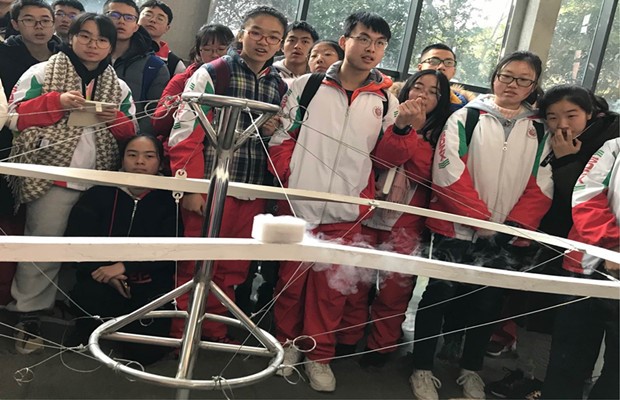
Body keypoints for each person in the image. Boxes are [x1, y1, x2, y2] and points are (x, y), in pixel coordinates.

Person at [269, 11, 419, 392]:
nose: (371, 49)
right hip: (298, 204)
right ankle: (286, 345)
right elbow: (282, 138)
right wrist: (291, 180)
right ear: (345, 40)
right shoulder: (307, 85)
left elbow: (385, 159)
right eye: (364, 38)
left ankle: (319, 355)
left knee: (332, 290)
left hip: (348, 210)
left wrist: (403, 129)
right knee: (289, 283)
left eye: (380, 43)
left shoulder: (385, 100)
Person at [409, 51, 553, 399]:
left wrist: (511, 227)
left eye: (523, 80)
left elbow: (542, 184)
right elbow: (448, 171)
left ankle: (471, 368)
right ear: (495, 76)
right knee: (438, 295)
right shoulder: (466, 117)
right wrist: (479, 220)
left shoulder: (539, 128)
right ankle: (421, 367)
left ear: (533, 86)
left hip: (506, 236)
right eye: (506, 76)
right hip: (456, 227)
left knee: (487, 303)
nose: (512, 85)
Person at [6, 12, 137, 355]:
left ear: (111, 46)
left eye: (102, 39)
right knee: (43, 248)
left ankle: (69, 307)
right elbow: (14, 118)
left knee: (84, 250)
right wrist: (56, 102)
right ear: (71, 37)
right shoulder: (40, 73)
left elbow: (133, 133)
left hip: (99, 181)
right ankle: (29, 315)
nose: (93, 45)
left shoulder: (119, 86)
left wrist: (115, 118)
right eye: (85, 36)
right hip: (51, 176)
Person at [168, 6, 288, 343]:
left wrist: (273, 130)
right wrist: (190, 187)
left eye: (273, 37)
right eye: (256, 33)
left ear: (280, 44)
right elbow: (185, 131)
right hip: (208, 186)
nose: (263, 42)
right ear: (241, 34)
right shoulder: (213, 72)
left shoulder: (280, 85)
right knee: (194, 264)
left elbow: (283, 139)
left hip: (252, 190)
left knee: (233, 268)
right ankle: (182, 336)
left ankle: (214, 333)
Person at [343, 70, 451, 368]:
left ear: (442, 101)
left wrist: (412, 132)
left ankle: (382, 344)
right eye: (418, 87)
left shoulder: (445, 132)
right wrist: (402, 128)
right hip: (369, 208)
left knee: (395, 288)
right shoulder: (385, 115)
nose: (423, 95)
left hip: (408, 218)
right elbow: (383, 158)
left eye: (433, 92)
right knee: (356, 280)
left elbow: (426, 172)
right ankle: (347, 336)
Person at [64, 135, 181, 365]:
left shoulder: (171, 200)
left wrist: (125, 267)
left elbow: (172, 250)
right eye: (132, 155)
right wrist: (104, 271)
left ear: (160, 162)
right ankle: (91, 325)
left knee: (145, 355)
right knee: (88, 300)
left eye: (149, 156)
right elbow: (75, 239)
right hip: (101, 280)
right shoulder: (99, 193)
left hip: (149, 287)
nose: (140, 162)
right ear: (122, 158)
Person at [542, 137, 619, 400]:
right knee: (568, 358)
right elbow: (587, 194)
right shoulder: (615, 147)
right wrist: (612, 245)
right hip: (588, 267)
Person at [0, 0, 61, 306]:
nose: (39, 27)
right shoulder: (4, 55)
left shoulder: (65, 56)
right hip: (7, 144)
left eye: (45, 20)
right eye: (29, 20)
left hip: (51, 152)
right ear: (15, 24)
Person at [151, 23, 233, 145]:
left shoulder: (239, 80)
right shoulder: (182, 80)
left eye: (221, 49)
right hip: (190, 145)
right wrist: (182, 101)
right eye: (207, 49)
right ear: (199, 52)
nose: (215, 55)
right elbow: (158, 122)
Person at [104, 0, 170, 135]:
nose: (121, 21)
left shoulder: (155, 67)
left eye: (129, 17)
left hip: (130, 140)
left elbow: (154, 114)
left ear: (136, 25)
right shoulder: (87, 56)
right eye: (114, 15)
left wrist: (134, 139)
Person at [417, 43, 475, 112]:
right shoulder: (406, 97)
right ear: (420, 68)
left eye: (449, 63)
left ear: (454, 72)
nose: (441, 67)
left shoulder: (465, 108)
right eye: (434, 61)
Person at [138, 0, 185, 77]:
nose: (153, 20)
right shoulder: (121, 46)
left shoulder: (175, 64)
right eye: (148, 15)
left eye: (160, 19)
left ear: (167, 28)